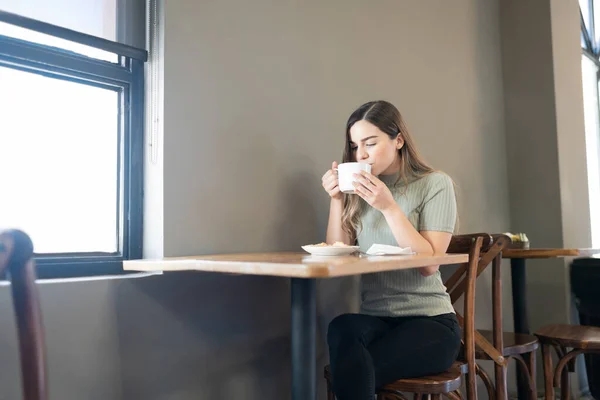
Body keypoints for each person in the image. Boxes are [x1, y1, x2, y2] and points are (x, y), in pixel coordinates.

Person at [321, 100, 461, 400]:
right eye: (355, 145)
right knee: (342, 327)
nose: (361, 155)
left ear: (398, 140)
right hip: (377, 320)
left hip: (430, 322)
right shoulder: (359, 192)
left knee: (352, 370)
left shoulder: (435, 184)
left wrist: (388, 207)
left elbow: (429, 265)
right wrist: (337, 200)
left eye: (370, 143)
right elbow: (338, 252)